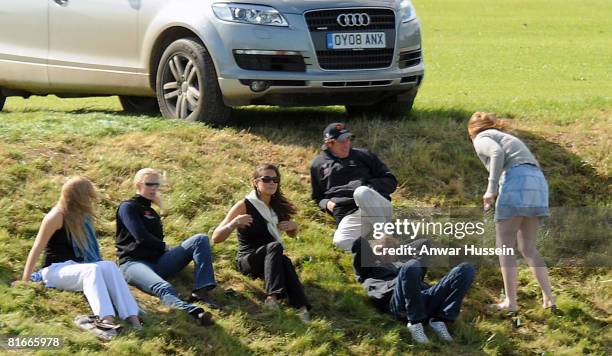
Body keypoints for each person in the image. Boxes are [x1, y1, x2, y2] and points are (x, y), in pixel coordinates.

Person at [19, 177, 141, 340]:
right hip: (54, 270)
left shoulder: (80, 216)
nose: (91, 199)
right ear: (78, 196)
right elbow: (37, 248)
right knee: (93, 269)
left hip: (76, 267)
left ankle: (133, 319)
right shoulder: (56, 216)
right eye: (88, 195)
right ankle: (105, 319)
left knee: (109, 266)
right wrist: (25, 280)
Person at [468, 112, 556, 313]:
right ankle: (549, 298)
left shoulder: (482, 138)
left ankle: (511, 303)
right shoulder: (508, 137)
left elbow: (497, 154)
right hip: (538, 183)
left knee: (505, 247)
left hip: (517, 182)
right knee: (528, 248)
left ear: (471, 130)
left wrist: (491, 189)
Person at [115, 168, 219, 326]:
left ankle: (201, 290)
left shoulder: (152, 212)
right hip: (133, 264)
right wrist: (164, 247)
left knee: (200, 239)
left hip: (159, 261)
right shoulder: (127, 207)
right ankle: (191, 311)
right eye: (149, 184)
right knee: (164, 287)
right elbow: (141, 237)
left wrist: (166, 251)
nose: (153, 188)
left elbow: (155, 241)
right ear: (138, 184)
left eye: (156, 184)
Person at [212, 164, 311, 322]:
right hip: (248, 261)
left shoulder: (277, 206)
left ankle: (302, 308)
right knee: (276, 247)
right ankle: (272, 298)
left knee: (284, 260)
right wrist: (234, 223)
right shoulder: (244, 205)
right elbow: (216, 238)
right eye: (266, 179)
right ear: (255, 182)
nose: (272, 183)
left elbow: (291, 234)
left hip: (271, 261)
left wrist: (294, 228)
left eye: (275, 179)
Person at [352, 236, 475, 344]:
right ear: (371, 253)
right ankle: (415, 322)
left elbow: (424, 243)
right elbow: (359, 242)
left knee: (466, 269)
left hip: (423, 297)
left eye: (389, 250)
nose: (385, 252)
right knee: (412, 265)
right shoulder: (368, 269)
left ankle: (439, 320)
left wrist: (396, 249)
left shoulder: (403, 264)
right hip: (398, 302)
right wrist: (377, 253)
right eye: (380, 249)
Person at [310, 122, 397, 252]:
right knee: (341, 242)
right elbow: (317, 197)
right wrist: (327, 203)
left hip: (375, 205)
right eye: (341, 141)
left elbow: (391, 181)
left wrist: (369, 187)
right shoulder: (317, 165)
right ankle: (379, 253)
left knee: (361, 193)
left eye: (348, 139)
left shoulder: (364, 155)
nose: (346, 144)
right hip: (348, 213)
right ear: (329, 143)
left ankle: (385, 236)